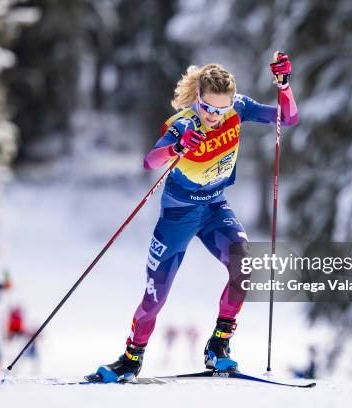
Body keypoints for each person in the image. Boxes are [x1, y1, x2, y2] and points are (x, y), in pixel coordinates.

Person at [89, 54, 298, 382]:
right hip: (179, 215)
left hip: (215, 208)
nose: (214, 116)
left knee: (244, 263)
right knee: (156, 293)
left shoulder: (238, 109)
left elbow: (287, 119)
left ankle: (218, 347)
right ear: (197, 99)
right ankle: (132, 357)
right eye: (207, 108)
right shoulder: (184, 125)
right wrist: (176, 148)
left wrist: (284, 87)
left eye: (221, 109)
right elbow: (150, 161)